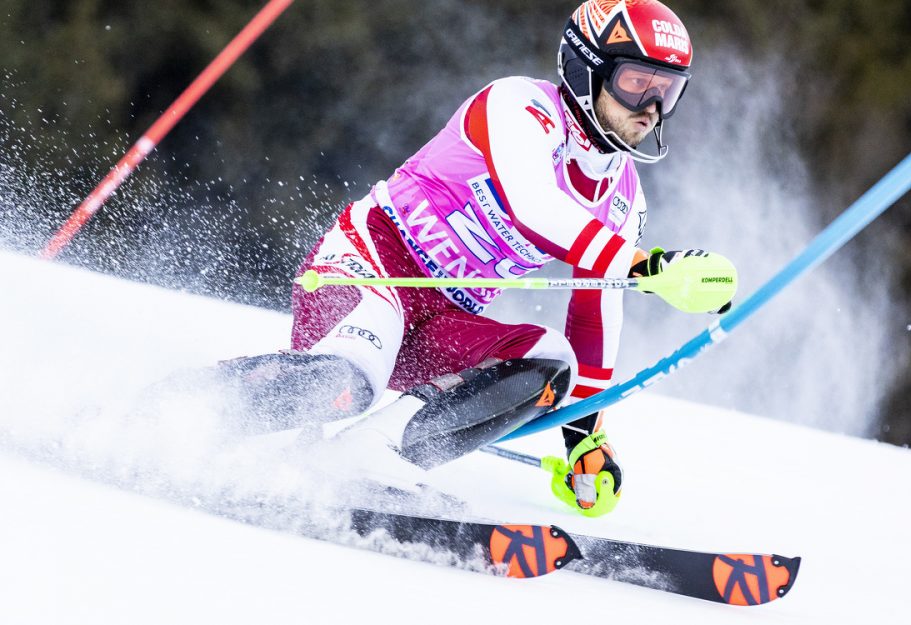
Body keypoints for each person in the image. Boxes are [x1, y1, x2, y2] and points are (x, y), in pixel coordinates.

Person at [229, 0, 722, 517]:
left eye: (668, 91)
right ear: (585, 68)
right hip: (371, 268)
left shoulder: (624, 196)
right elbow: (534, 208)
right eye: (636, 83)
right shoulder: (517, 106)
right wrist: (646, 268)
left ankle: (367, 457)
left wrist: (585, 438)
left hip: (441, 323)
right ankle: (187, 413)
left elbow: (594, 316)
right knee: (351, 381)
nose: (651, 108)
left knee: (553, 361)